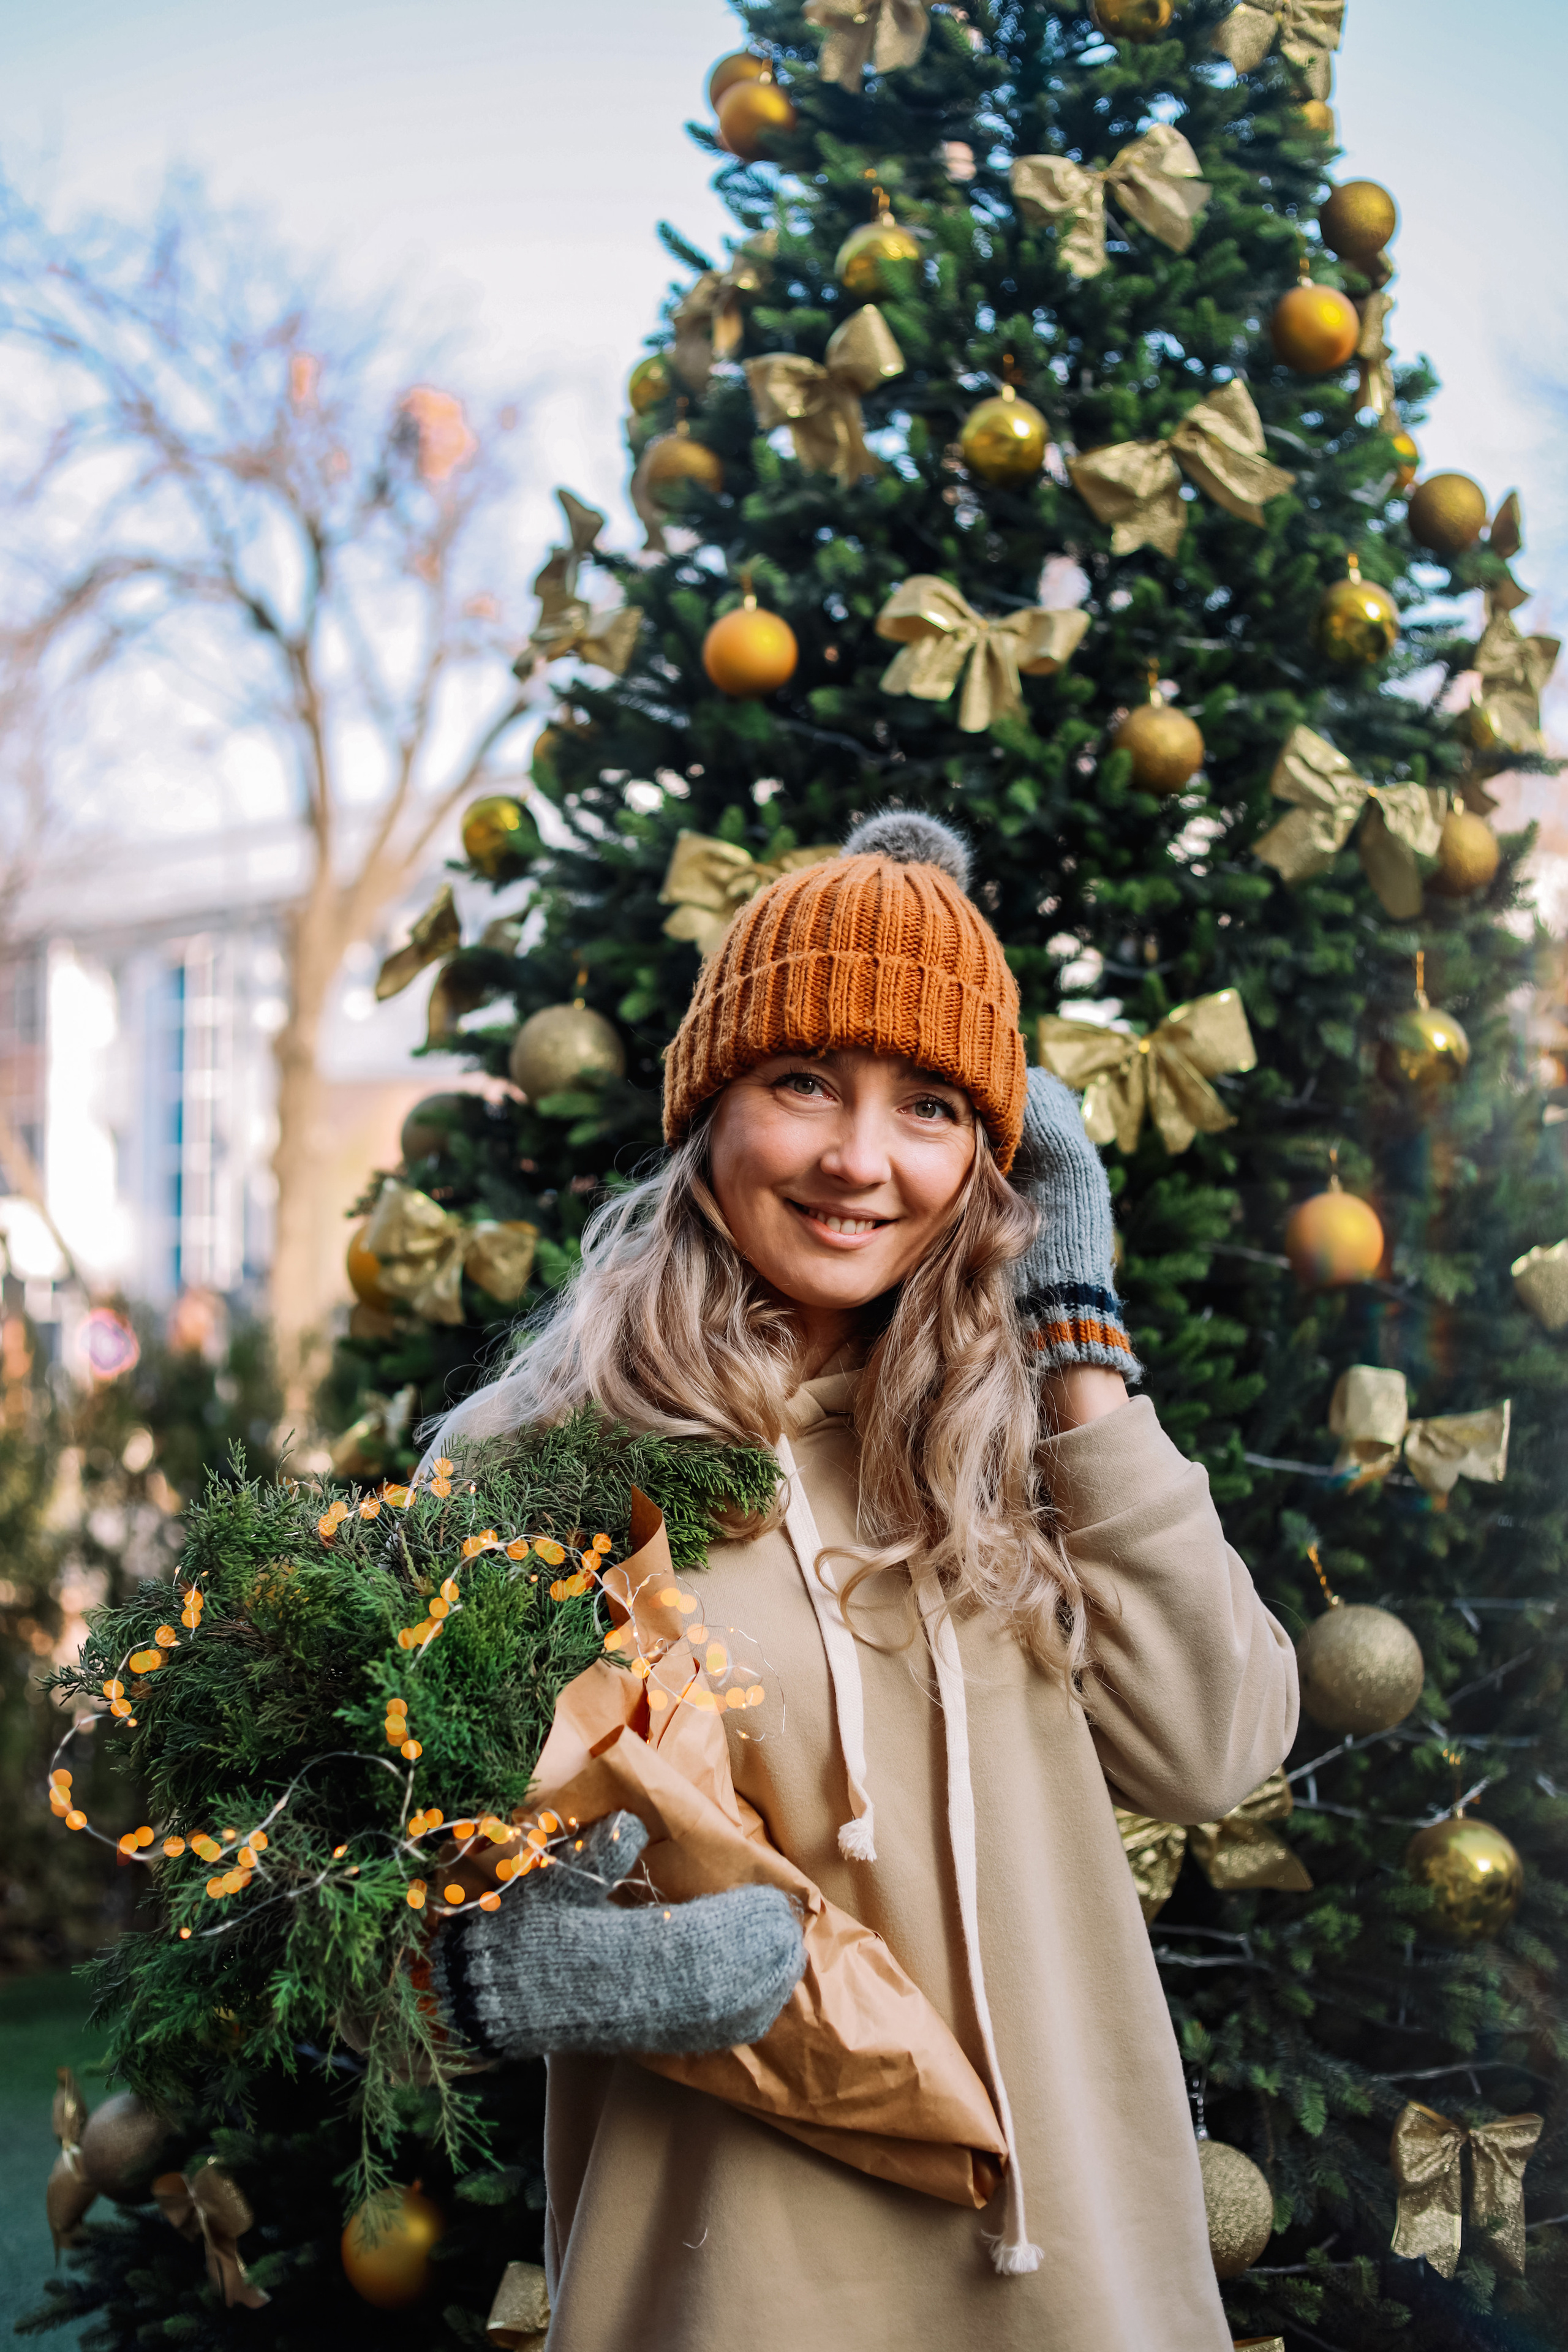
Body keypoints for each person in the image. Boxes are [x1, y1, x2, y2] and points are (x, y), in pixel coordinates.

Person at [428, 812, 1299, 2352]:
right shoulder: (543, 1471)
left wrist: (1076, 1341)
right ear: (712, 1113)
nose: (856, 1160)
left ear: (988, 1159)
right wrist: (503, 1962)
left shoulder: (1029, 1454)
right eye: (803, 1083)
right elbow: (364, 1891)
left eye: (929, 1108)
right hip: (719, 2299)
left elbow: (1213, 1746)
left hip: (1075, 2285)